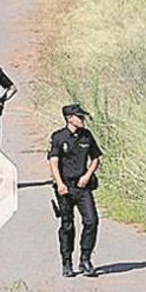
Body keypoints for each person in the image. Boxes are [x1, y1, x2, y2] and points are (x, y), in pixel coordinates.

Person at [48, 104, 102, 277]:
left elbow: (95, 158)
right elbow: (53, 162)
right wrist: (59, 183)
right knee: (67, 225)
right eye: (79, 117)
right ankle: (67, 262)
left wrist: (87, 175)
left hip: (82, 186)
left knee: (91, 221)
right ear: (70, 118)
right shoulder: (58, 137)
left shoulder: (86, 136)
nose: (82, 120)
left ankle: (85, 259)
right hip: (65, 187)